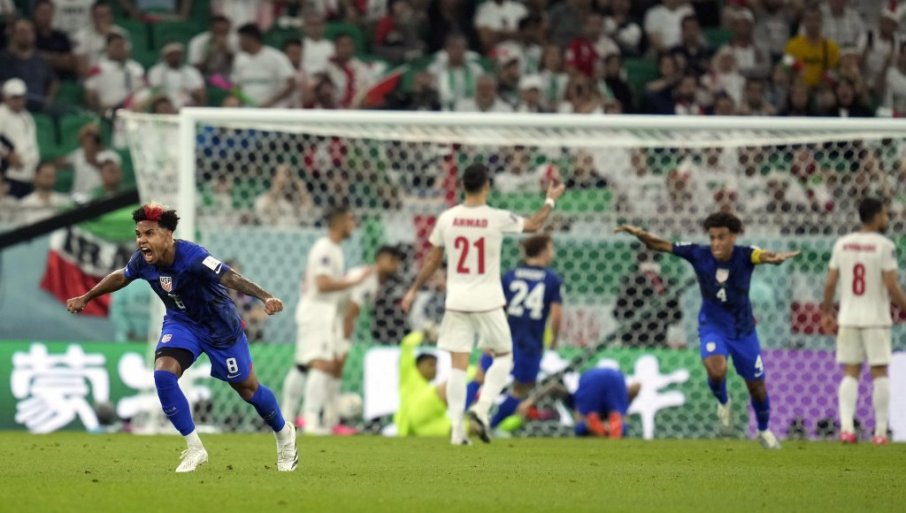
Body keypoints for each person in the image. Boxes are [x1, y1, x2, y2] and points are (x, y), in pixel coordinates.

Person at [65, 203, 297, 472]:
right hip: (182, 323)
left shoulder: (193, 256)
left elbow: (229, 276)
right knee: (163, 375)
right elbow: (122, 276)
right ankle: (194, 447)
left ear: (167, 235)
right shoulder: (141, 261)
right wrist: (87, 297)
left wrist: (265, 297)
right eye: (138, 234)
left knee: (247, 389)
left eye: (149, 233)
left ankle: (284, 434)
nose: (141, 240)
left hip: (220, 327)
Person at [400, 163, 565, 445]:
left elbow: (433, 260)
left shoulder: (448, 218)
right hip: (488, 301)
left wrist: (414, 289)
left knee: (458, 367)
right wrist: (550, 199)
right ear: (487, 186)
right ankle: (482, 407)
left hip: (457, 300)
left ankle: (457, 429)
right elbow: (534, 225)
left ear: (462, 186)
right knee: (503, 357)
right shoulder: (496, 217)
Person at [615, 212, 799, 449]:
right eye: (712, 237)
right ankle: (723, 402)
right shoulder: (698, 253)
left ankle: (763, 430)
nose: (716, 243)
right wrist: (639, 233)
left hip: (743, 332)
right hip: (713, 327)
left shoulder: (745, 255)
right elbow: (661, 244)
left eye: (721, 237)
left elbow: (763, 255)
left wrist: (774, 258)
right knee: (716, 369)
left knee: (757, 388)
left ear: (733, 237)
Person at [820, 198, 906, 445]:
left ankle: (847, 429)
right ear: (877, 217)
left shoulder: (842, 244)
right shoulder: (885, 246)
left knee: (851, 372)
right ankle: (880, 433)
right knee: (880, 373)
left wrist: (826, 312)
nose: (887, 219)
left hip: (848, 317)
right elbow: (891, 285)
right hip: (876, 318)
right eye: (885, 214)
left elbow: (830, 282)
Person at [286, 206, 372, 434]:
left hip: (321, 310)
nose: (353, 224)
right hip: (318, 309)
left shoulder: (335, 250)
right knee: (321, 364)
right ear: (339, 222)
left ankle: (287, 416)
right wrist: (354, 281)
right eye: (350, 220)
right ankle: (311, 420)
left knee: (302, 364)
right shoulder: (325, 248)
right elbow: (323, 284)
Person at [488, 234, 563, 430]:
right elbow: (556, 315)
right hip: (531, 340)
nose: (552, 253)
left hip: (507, 336)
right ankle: (490, 425)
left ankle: (475, 419)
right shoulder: (551, 279)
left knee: (484, 377)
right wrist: (555, 339)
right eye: (551, 248)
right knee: (521, 389)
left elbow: (497, 308)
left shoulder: (510, 275)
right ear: (544, 251)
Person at [344, 245, 409, 346]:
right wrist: (344, 344)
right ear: (380, 259)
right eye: (392, 260)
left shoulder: (380, 281)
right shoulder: (367, 279)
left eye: (397, 261)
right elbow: (350, 315)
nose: (396, 265)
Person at [231, 23, 294, 108]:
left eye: (241, 39)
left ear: (250, 39)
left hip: (273, 109)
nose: (239, 43)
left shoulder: (276, 57)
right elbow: (235, 86)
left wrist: (271, 102)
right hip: (248, 109)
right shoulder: (239, 59)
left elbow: (291, 84)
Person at [0, 78, 39, 198]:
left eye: (21, 97)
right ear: (6, 97)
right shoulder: (1, 114)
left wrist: (34, 161)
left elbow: (32, 143)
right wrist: (8, 154)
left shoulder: (27, 117)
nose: (19, 101)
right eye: (15, 98)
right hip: (9, 173)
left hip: (28, 173)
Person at [147, 42, 206, 109]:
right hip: (165, 98)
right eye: (172, 55)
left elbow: (198, 89)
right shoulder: (156, 71)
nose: (175, 57)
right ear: (165, 57)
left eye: (177, 54)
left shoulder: (191, 71)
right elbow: (156, 90)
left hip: (185, 98)